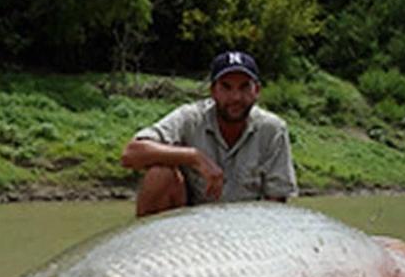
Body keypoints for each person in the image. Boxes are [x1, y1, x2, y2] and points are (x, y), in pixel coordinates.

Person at [120, 50, 298, 217]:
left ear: (256, 91)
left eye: (244, 87)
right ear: (213, 91)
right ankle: (155, 247)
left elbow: (276, 206)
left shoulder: (273, 129)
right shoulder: (190, 118)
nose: (236, 97)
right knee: (160, 174)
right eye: (226, 87)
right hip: (190, 226)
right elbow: (131, 154)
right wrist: (194, 157)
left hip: (247, 230)